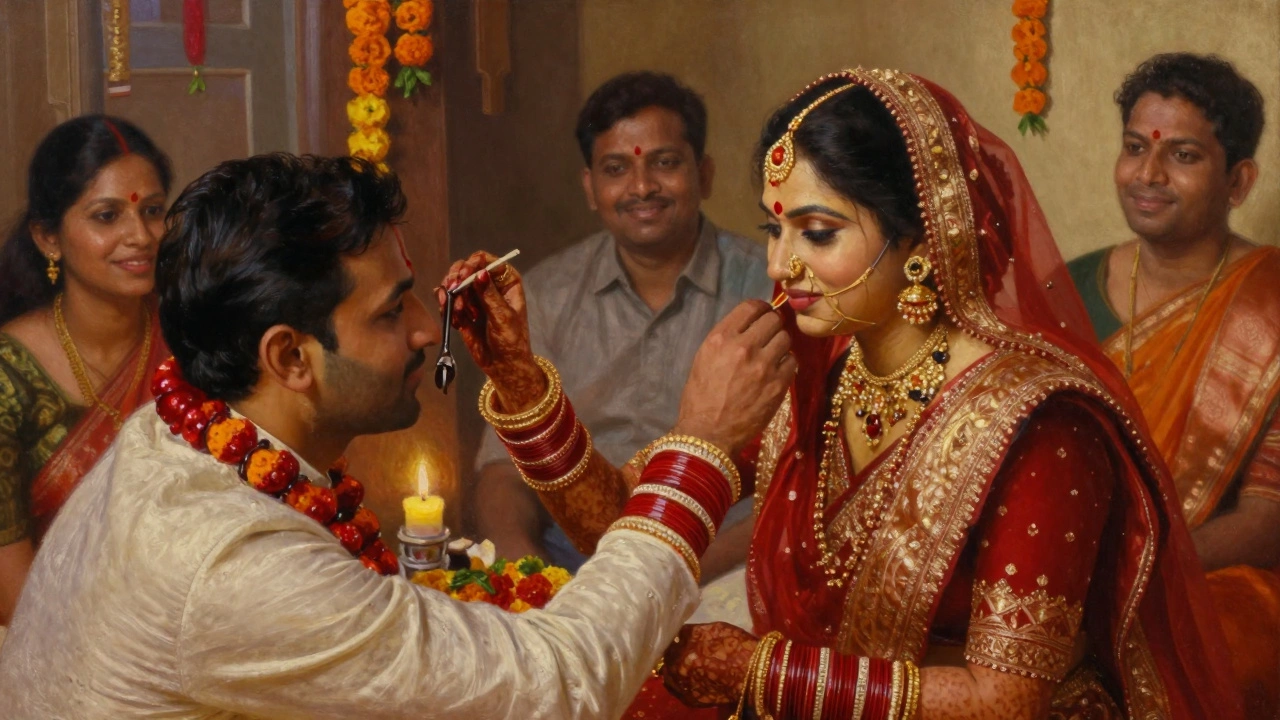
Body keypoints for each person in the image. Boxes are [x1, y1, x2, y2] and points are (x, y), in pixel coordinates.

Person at [459, 68, 1243, 719]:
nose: (782, 266)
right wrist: (522, 383)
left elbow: (1005, 700)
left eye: (819, 232)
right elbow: (621, 529)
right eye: (774, 231)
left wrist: (764, 675)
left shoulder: (1036, 423)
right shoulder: (816, 371)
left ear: (918, 237)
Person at [0, 153, 791, 718]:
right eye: (392, 311)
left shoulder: (171, 433)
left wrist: (517, 377)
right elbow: (557, 686)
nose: (425, 332)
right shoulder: (233, 564)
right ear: (289, 357)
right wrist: (702, 445)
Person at [472, 71, 771, 579]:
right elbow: (503, 470)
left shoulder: (770, 292)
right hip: (573, 571)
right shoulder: (544, 295)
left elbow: (798, 488)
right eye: (616, 168)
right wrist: (531, 575)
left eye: (666, 163)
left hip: (721, 569)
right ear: (590, 187)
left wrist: (665, 581)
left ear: (705, 174)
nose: (642, 187)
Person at [1067, 53, 1280, 717]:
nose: (1147, 176)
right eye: (1135, 148)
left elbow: (1267, 522)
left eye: (1182, 155)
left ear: (1238, 180)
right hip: (1055, 576)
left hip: (1211, 588)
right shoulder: (1059, 290)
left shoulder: (1271, 304)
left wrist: (1124, 577)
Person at [0, 115, 171, 626]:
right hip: (54, 646)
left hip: (194, 624)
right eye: (106, 216)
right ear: (49, 239)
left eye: (155, 211)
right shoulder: (10, 376)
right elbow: (15, 599)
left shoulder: (194, 341)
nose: (139, 236)